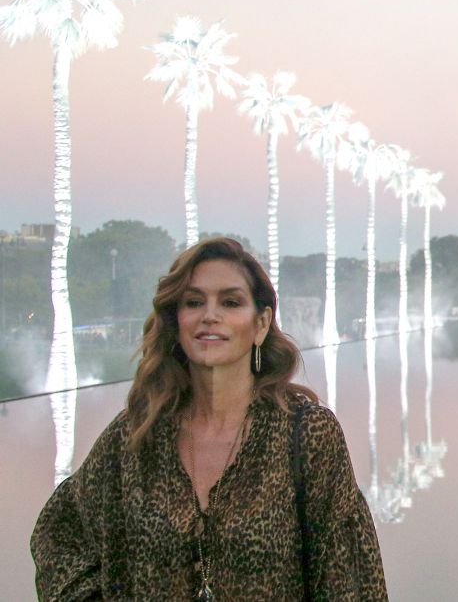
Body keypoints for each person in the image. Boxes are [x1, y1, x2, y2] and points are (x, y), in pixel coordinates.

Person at [31, 237, 387, 601]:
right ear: (178, 320)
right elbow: (59, 536)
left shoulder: (307, 435)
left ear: (261, 323)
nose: (209, 315)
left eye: (230, 302)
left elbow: (349, 582)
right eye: (194, 302)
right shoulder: (137, 436)